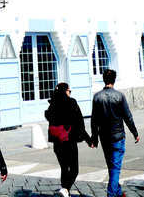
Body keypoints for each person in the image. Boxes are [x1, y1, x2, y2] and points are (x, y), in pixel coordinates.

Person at [90, 69, 139, 197]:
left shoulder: (97, 97)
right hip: (117, 136)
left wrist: (94, 138)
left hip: (104, 136)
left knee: (112, 166)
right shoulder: (119, 96)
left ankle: (117, 192)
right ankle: (111, 194)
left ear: (104, 80)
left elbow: (94, 120)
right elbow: (127, 116)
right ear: (114, 80)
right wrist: (135, 132)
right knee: (115, 167)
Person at [45, 82, 92, 197]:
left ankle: (66, 192)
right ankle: (65, 189)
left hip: (57, 142)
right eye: (69, 91)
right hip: (69, 141)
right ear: (65, 91)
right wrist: (89, 140)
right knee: (74, 170)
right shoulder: (71, 103)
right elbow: (79, 124)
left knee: (64, 168)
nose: (70, 93)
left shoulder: (52, 104)